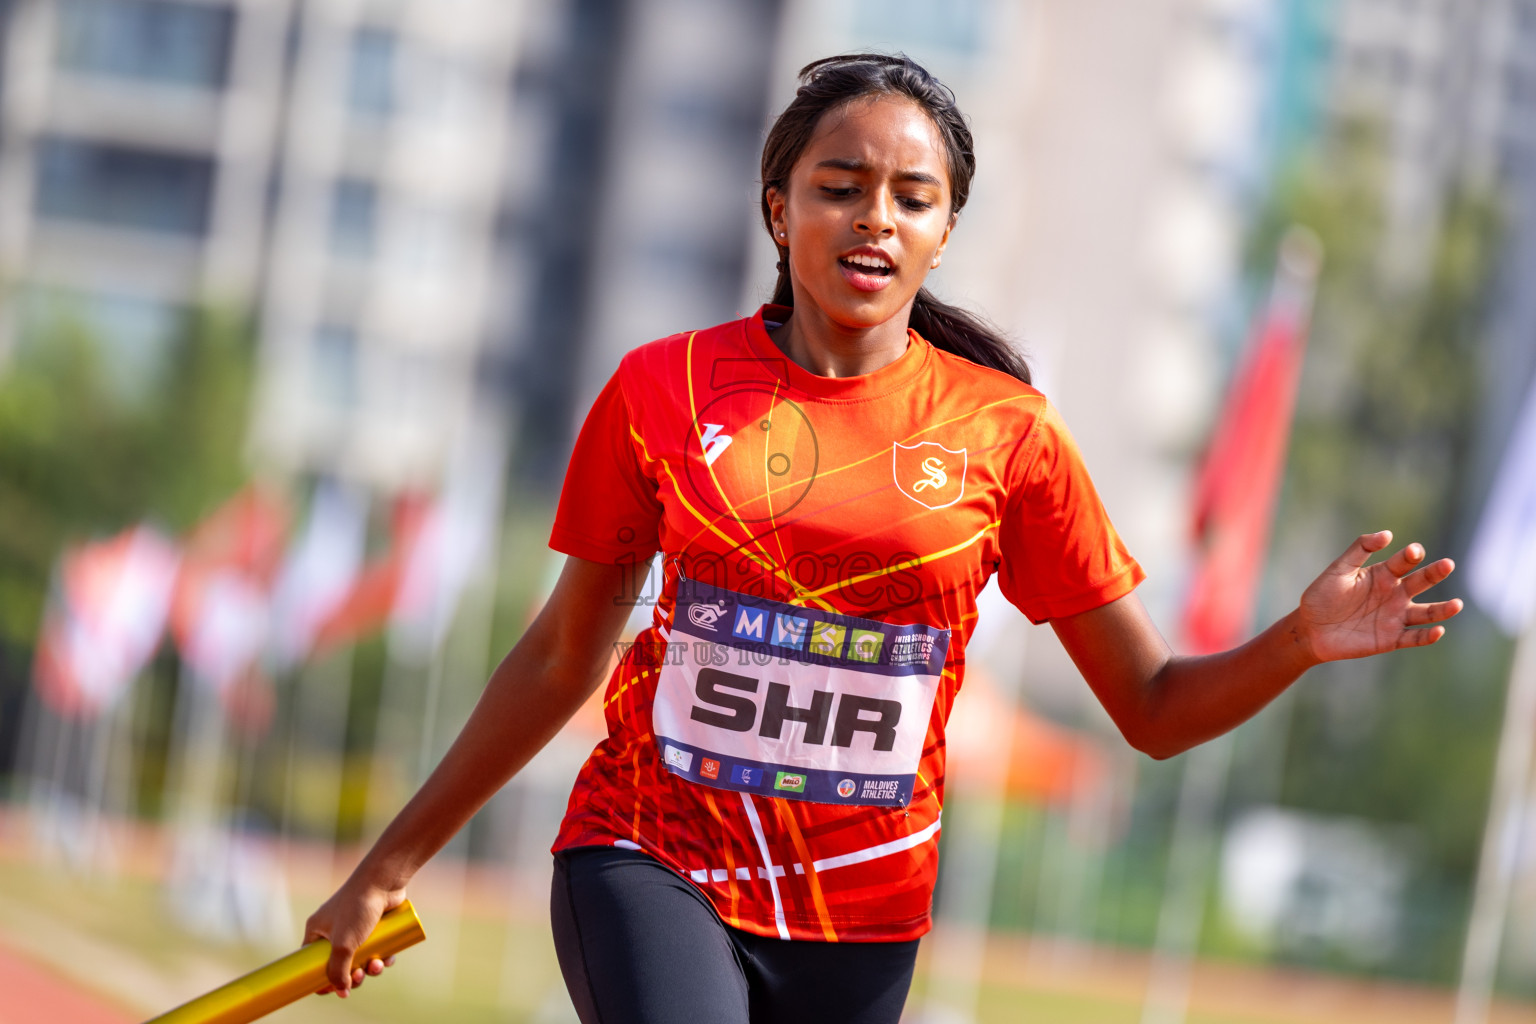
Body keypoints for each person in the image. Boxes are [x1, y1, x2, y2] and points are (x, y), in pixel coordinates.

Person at [303, 53, 1462, 1023]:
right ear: (779, 207)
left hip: (862, 913)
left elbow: (1154, 709)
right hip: (651, 855)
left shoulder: (1009, 436)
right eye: (840, 186)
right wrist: (386, 865)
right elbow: (563, 655)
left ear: (947, 229)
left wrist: (1298, 641)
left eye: (912, 197)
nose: (875, 219)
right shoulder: (665, 390)